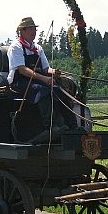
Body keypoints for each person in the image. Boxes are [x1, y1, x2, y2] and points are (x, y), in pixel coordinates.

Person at [7, 16, 81, 144]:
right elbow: (22, 70)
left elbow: (46, 68)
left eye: (34, 29)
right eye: (31, 29)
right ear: (22, 31)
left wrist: (55, 72)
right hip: (20, 82)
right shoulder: (16, 47)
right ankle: (50, 127)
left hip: (37, 80)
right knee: (43, 91)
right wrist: (44, 79)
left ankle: (73, 126)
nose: (34, 32)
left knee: (59, 91)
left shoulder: (37, 48)